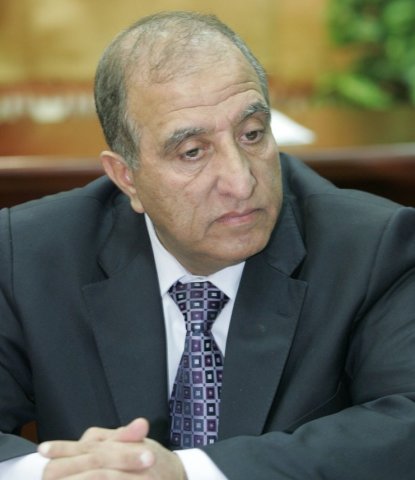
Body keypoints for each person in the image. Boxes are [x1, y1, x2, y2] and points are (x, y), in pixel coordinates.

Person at [0, 10, 415, 480]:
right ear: (126, 177)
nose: (241, 182)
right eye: (192, 152)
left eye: (252, 134)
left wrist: (186, 472)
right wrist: (64, 473)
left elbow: (406, 426)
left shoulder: (374, 248)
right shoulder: (28, 254)